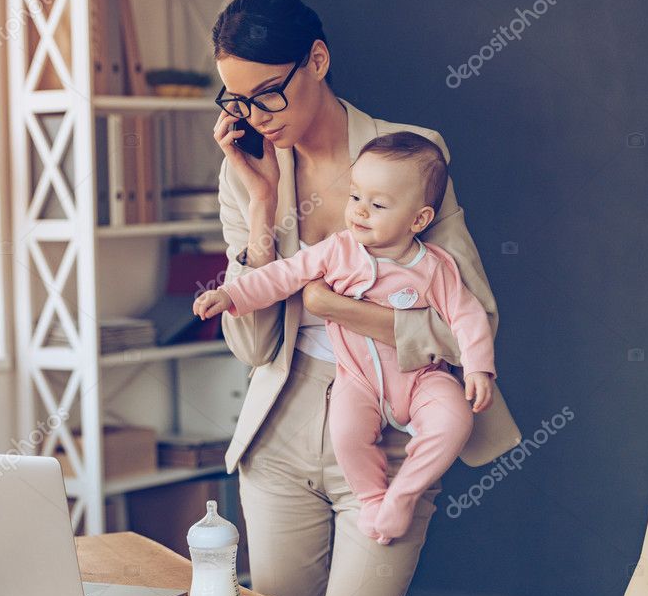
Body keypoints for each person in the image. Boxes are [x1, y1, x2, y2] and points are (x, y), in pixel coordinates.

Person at [210, 0, 521, 596]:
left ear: (316, 61)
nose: (254, 116)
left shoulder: (408, 154)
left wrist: (337, 308)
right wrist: (261, 210)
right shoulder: (244, 170)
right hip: (280, 430)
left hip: (390, 427)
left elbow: (470, 323)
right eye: (235, 100)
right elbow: (252, 345)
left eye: (267, 93)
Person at [195, 131, 495, 545]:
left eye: (378, 205)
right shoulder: (337, 250)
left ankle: (403, 494)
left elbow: (468, 315)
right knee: (347, 431)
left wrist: (479, 368)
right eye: (355, 197)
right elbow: (283, 276)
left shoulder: (434, 266)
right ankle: (373, 498)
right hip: (357, 380)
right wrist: (230, 294)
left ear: (419, 219)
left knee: (455, 420)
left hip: (423, 377)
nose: (359, 212)